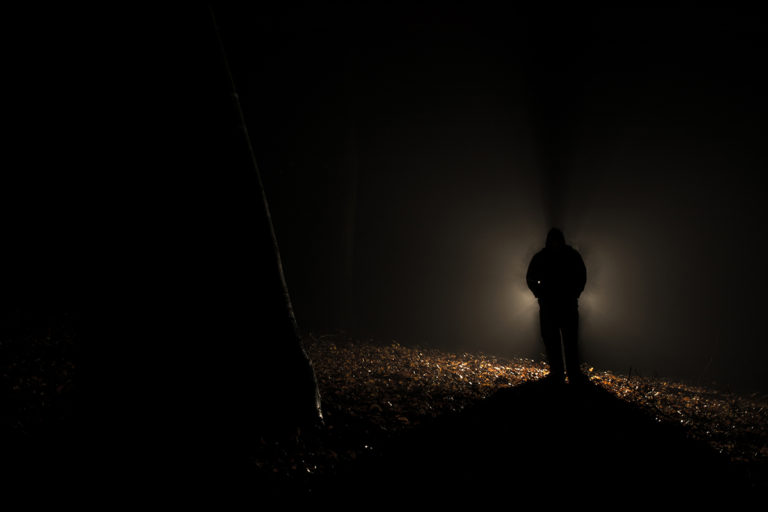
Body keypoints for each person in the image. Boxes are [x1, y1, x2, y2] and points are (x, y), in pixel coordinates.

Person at [526, 228, 587, 385]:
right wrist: (539, 294)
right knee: (554, 341)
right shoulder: (570, 256)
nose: (555, 244)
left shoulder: (543, 257)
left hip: (560, 307)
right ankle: (559, 374)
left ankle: (568, 374)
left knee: (568, 342)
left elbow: (581, 276)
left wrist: (540, 294)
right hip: (556, 307)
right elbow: (530, 278)